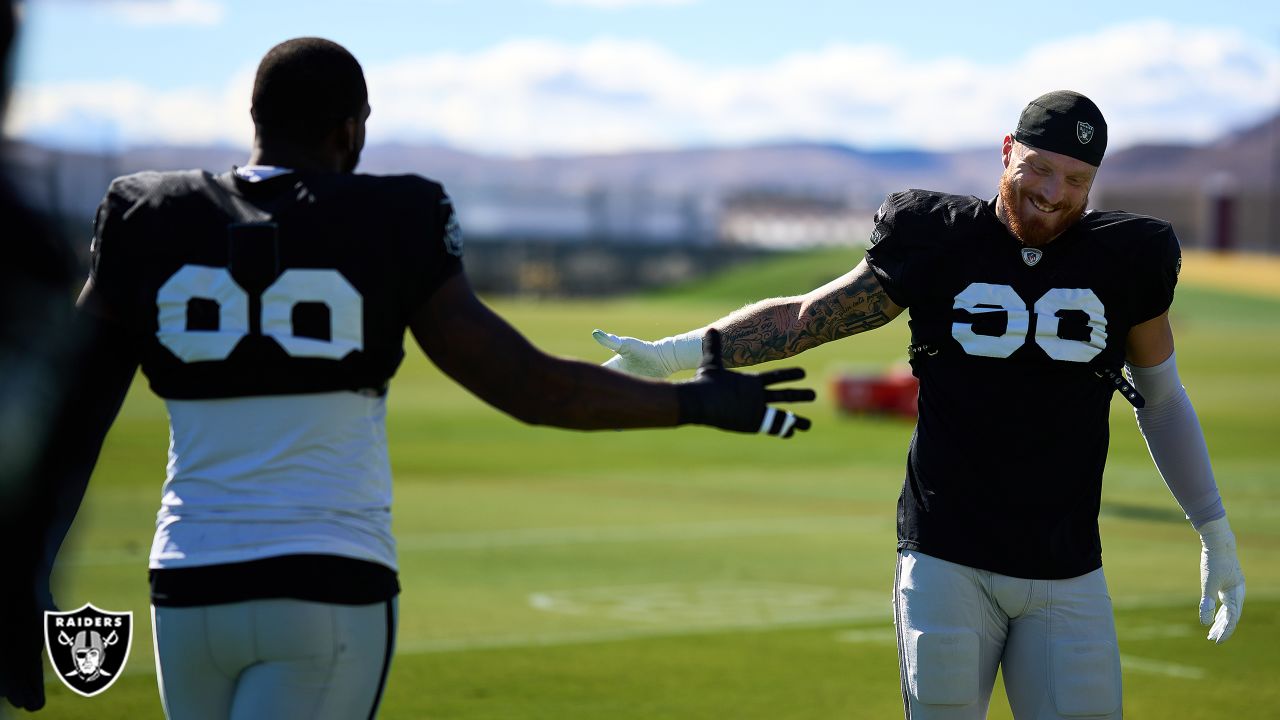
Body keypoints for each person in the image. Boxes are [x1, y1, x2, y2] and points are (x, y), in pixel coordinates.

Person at [39, 37, 815, 720]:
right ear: (351, 129)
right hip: (326, 578)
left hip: (188, 582)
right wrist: (693, 403)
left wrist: (24, 567)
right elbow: (527, 384)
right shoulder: (393, 213)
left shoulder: (144, 211)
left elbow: (66, 411)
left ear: (257, 123)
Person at [594, 90, 1246, 719]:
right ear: (1006, 152)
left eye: (1076, 180)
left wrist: (1213, 529)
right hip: (945, 559)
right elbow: (807, 318)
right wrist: (676, 354)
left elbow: (1160, 400)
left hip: (1068, 566)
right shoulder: (936, 237)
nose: (1052, 193)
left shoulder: (1128, 258)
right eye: (1038, 169)